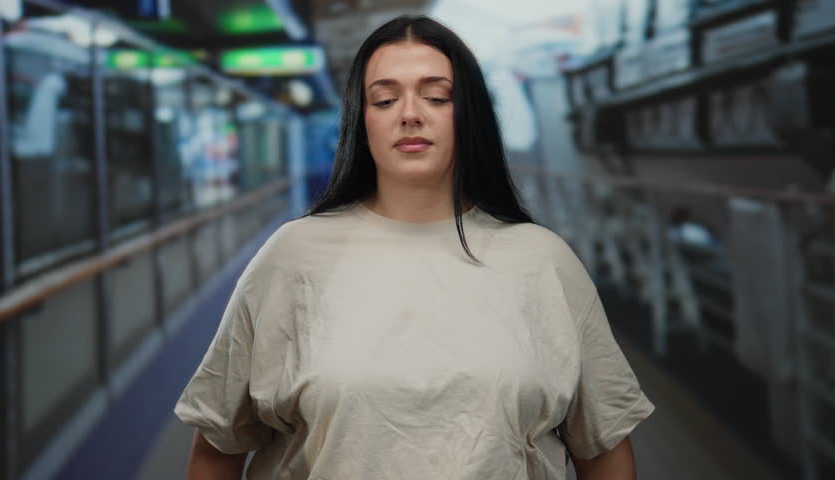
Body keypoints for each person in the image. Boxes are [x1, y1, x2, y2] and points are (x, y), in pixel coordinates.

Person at [175, 15, 654, 480]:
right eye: (384, 100)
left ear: (469, 115)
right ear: (360, 122)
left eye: (437, 96)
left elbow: (604, 449)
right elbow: (217, 448)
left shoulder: (543, 260)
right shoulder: (292, 255)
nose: (410, 114)